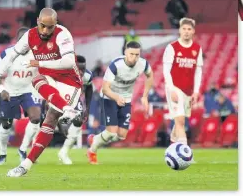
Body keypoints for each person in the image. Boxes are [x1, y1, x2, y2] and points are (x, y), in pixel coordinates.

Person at [0, 8, 82, 177]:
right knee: (37, 81)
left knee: (50, 119)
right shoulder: (30, 35)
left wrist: (39, 64)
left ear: (56, 24)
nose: (45, 31)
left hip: (69, 82)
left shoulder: (62, 34)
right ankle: (25, 166)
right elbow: (10, 56)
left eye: (50, 27)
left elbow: (68, 62)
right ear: (37, 21)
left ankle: (27, 162)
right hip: (48, 78)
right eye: (43, 26)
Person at [87, 41, 154, 164]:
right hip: (109, 97)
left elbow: (150, 75)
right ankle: (92, 150)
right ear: (125, 53)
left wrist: (145, 96)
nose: (134, 57)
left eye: (137, 55)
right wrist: (116, 98)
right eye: (131, 54)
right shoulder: (115, 65)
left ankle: (95, 139)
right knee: (111, 132)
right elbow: (105, 88)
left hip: (126, 99)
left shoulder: (143, 64)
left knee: (121, 135)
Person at [0, 27, 43, 165]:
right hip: (10, 92)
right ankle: (2, 153)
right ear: (17, 40)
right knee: (6, 124)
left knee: (36, 118)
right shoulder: (7, 53)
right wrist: (2, 89)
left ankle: (22, 149)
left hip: (29, 91)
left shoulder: (37, 54)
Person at [163, 17, 203, 145]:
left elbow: (198, 71)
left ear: (193, 31)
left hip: (188, 91)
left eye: (189, 29)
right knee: (180, 121)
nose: (186, 31)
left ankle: (173, 143)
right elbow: (166, 70)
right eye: (184, 29)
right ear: (180, 30)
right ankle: (185, 151)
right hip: (175, 88)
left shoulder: (197, 49)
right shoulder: (172, 47)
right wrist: (171, 89)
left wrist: (196, 91)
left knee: (181, 119)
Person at [58, 55, 93, 165]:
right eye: (79, 69)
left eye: (83, 68)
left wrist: (87, 108)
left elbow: (89, 90)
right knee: (50, 124)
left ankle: (64, 152)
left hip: (74, 98)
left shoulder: (87, 75)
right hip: (58, 96)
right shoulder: (64, 71)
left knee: (79, 120)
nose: (82, 72)